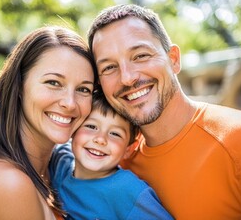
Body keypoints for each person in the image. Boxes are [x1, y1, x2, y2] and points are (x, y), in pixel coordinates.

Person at [87, 4, 241, 219]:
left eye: (140, 56)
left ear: (174, 59)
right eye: (109, 67)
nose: (127, 77)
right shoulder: (112, 161)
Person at [0, 25, 98, 220]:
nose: (70, 103)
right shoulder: (8, 184)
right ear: (19, 87)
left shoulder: (53, 172)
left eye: (84, 89)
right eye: (53, 83)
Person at [49, 89, 173, 220]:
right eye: (91, 126)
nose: (100, 139)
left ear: (128, 149)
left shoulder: (129, 191)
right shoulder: (60, 161)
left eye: (115, 134)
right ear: (73, 130)